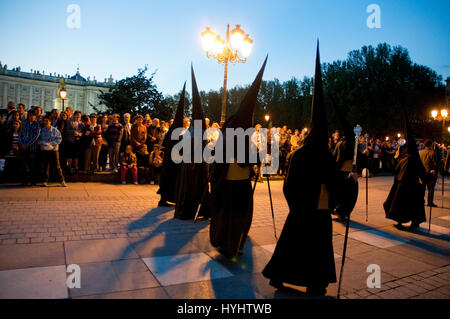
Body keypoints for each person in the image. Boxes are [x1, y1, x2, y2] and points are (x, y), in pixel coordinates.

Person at [262, 45, 356, 296]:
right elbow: (335, 181)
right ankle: (316, 282)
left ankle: (279, 277)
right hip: (319, 210)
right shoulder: (324, 155)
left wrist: (295, 204)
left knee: (292, 244)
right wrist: (351, 181)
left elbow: (288, 184)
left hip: (300, 209)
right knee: (317, 249)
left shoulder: (298, 154)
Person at [209, 57, 267, 259]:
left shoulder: (228, 134)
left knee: (228, 216)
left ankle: (227, 243)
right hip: (239, 185)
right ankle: (234, 245)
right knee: (239, 217)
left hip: (228, 185)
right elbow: (251, 159)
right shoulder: (244, 138)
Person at [174, 68, 209, 220]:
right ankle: (189, 211)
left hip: (196, 166)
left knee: (195, 189)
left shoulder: (194, 132)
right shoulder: (192, 132)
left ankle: (197, 210)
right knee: (192, 189)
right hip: (193, 166)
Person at [384, 112, 426, 230]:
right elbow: (397, 170)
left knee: (408, 205)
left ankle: (413, 223)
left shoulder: (410, 158)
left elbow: (419, 171)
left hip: (409, 185)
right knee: (398, 204)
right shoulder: (405, 158)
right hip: (403, 185)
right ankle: (400, 222)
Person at [157, 83, 186, 207]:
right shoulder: (176, 132)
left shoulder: (173, 131)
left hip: (171, 162)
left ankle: (166, 199)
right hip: (172, 162)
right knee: (170, 180)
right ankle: (164, 200)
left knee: (170, 180)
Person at [38, 116, 66, 187]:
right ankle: (45, 181)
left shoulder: (55, 130)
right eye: (45, 121)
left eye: (47, 121)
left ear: (50, 122)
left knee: (57, 166)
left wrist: (51, 143)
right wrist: (44, 143)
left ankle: (62, 180)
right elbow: (39, 139)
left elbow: (59, 139)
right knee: (45, 166)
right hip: (45, 150)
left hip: (54, 150)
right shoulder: (41, 130)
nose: (46, 122)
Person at [19, 110, 41, 186]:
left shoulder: (37, 124)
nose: (31, 117)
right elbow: (21, 134)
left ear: (35, 116)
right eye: (30, 115)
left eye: (33, 115)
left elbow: (36, 136)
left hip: (32, 148)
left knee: (32, 166)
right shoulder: (24, 124)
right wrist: (22, 143)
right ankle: (24, 181)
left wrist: (27, 144)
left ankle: (33, 181)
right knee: (24, 165)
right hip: (23, 147)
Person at [419, 139, 439, 207]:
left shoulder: (420, 152)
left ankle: (421, 201)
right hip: (430, 173)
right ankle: (430, 202)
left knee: (422, 188)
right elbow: (435, 164)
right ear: (430, 145)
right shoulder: (432, 152)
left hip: (422, 173)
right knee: (430, 188)